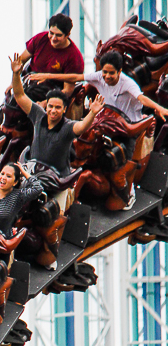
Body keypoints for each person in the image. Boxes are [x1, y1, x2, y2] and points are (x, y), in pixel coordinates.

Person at [27, 49, 168, 207]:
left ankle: (128, 192)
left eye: (111, 73)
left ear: (119, 71)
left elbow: (141, 98)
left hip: (126, 127)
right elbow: (75, 77)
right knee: (81, 138)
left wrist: (159, 108)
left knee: (119, 163)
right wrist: (47, 76)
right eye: (104, 72)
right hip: (105, 119)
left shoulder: (128, 83)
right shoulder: (100, 76)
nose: (107, 77)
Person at [10, 53, 104, 185]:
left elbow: (82, 126)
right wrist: (15, 74)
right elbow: (19, 95)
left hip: (56, 178)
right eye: (51, 106)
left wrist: (93, 112)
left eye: (58, 107)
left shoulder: (68, 126)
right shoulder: (38, 114)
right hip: (32, 171)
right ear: (46, 106)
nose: (53, 110)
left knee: (50, 205)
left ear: (64, 109)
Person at [18, 13, 84, 99]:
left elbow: (67, 91)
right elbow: (20, 62)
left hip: (52, 94)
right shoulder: (40, 38)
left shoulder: (74, 57)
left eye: (58, 35)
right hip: (29, 84)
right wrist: (14, 84)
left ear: (67, 35)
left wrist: (46, 103)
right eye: (51, 33)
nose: (53, 38)